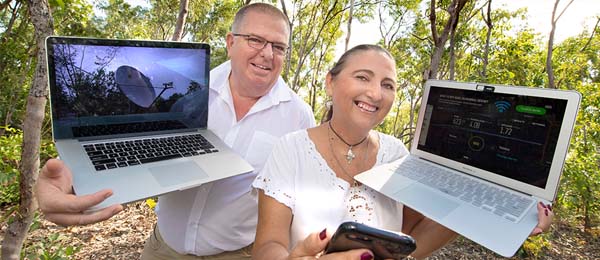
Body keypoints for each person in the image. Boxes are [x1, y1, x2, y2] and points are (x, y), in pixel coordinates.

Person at [35, 3, 316, 259]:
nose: (267, 54)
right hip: (161, 248)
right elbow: (133, 148)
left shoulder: (299, 116)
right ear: (231, 42)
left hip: (236, 254)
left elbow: (298, 201)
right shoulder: (191, 93)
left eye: (278, 47)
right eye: (255, 39)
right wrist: (73, 181)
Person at [250, 44, 554, 260]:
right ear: (330, 82)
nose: (376, 93)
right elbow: (268, 244)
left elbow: (416, 232)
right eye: (363, 77)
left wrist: (500, 215)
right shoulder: (291, 148)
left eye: (388, 84)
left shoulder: (396, 154)